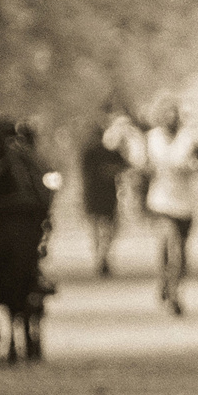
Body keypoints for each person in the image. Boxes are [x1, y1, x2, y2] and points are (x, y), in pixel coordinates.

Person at [141, 97, 198, 315]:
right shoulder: (151, 139)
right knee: (170, 246)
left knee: (181, 254)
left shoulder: (190, 139)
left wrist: (193, 166)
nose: (171, 119)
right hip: (160, 202)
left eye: (174, 115)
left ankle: (172, 284)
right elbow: (143, 167)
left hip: (185, 204)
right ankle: (171, 290)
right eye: (166, 114)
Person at [79, 112, 132, 277]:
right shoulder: (92, 151)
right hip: (99, 194)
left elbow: (124, 164)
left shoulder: (99, 151)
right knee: (104, 228)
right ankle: (102, 256)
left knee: (100, 228)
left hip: (99, 194)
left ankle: (101, 256)